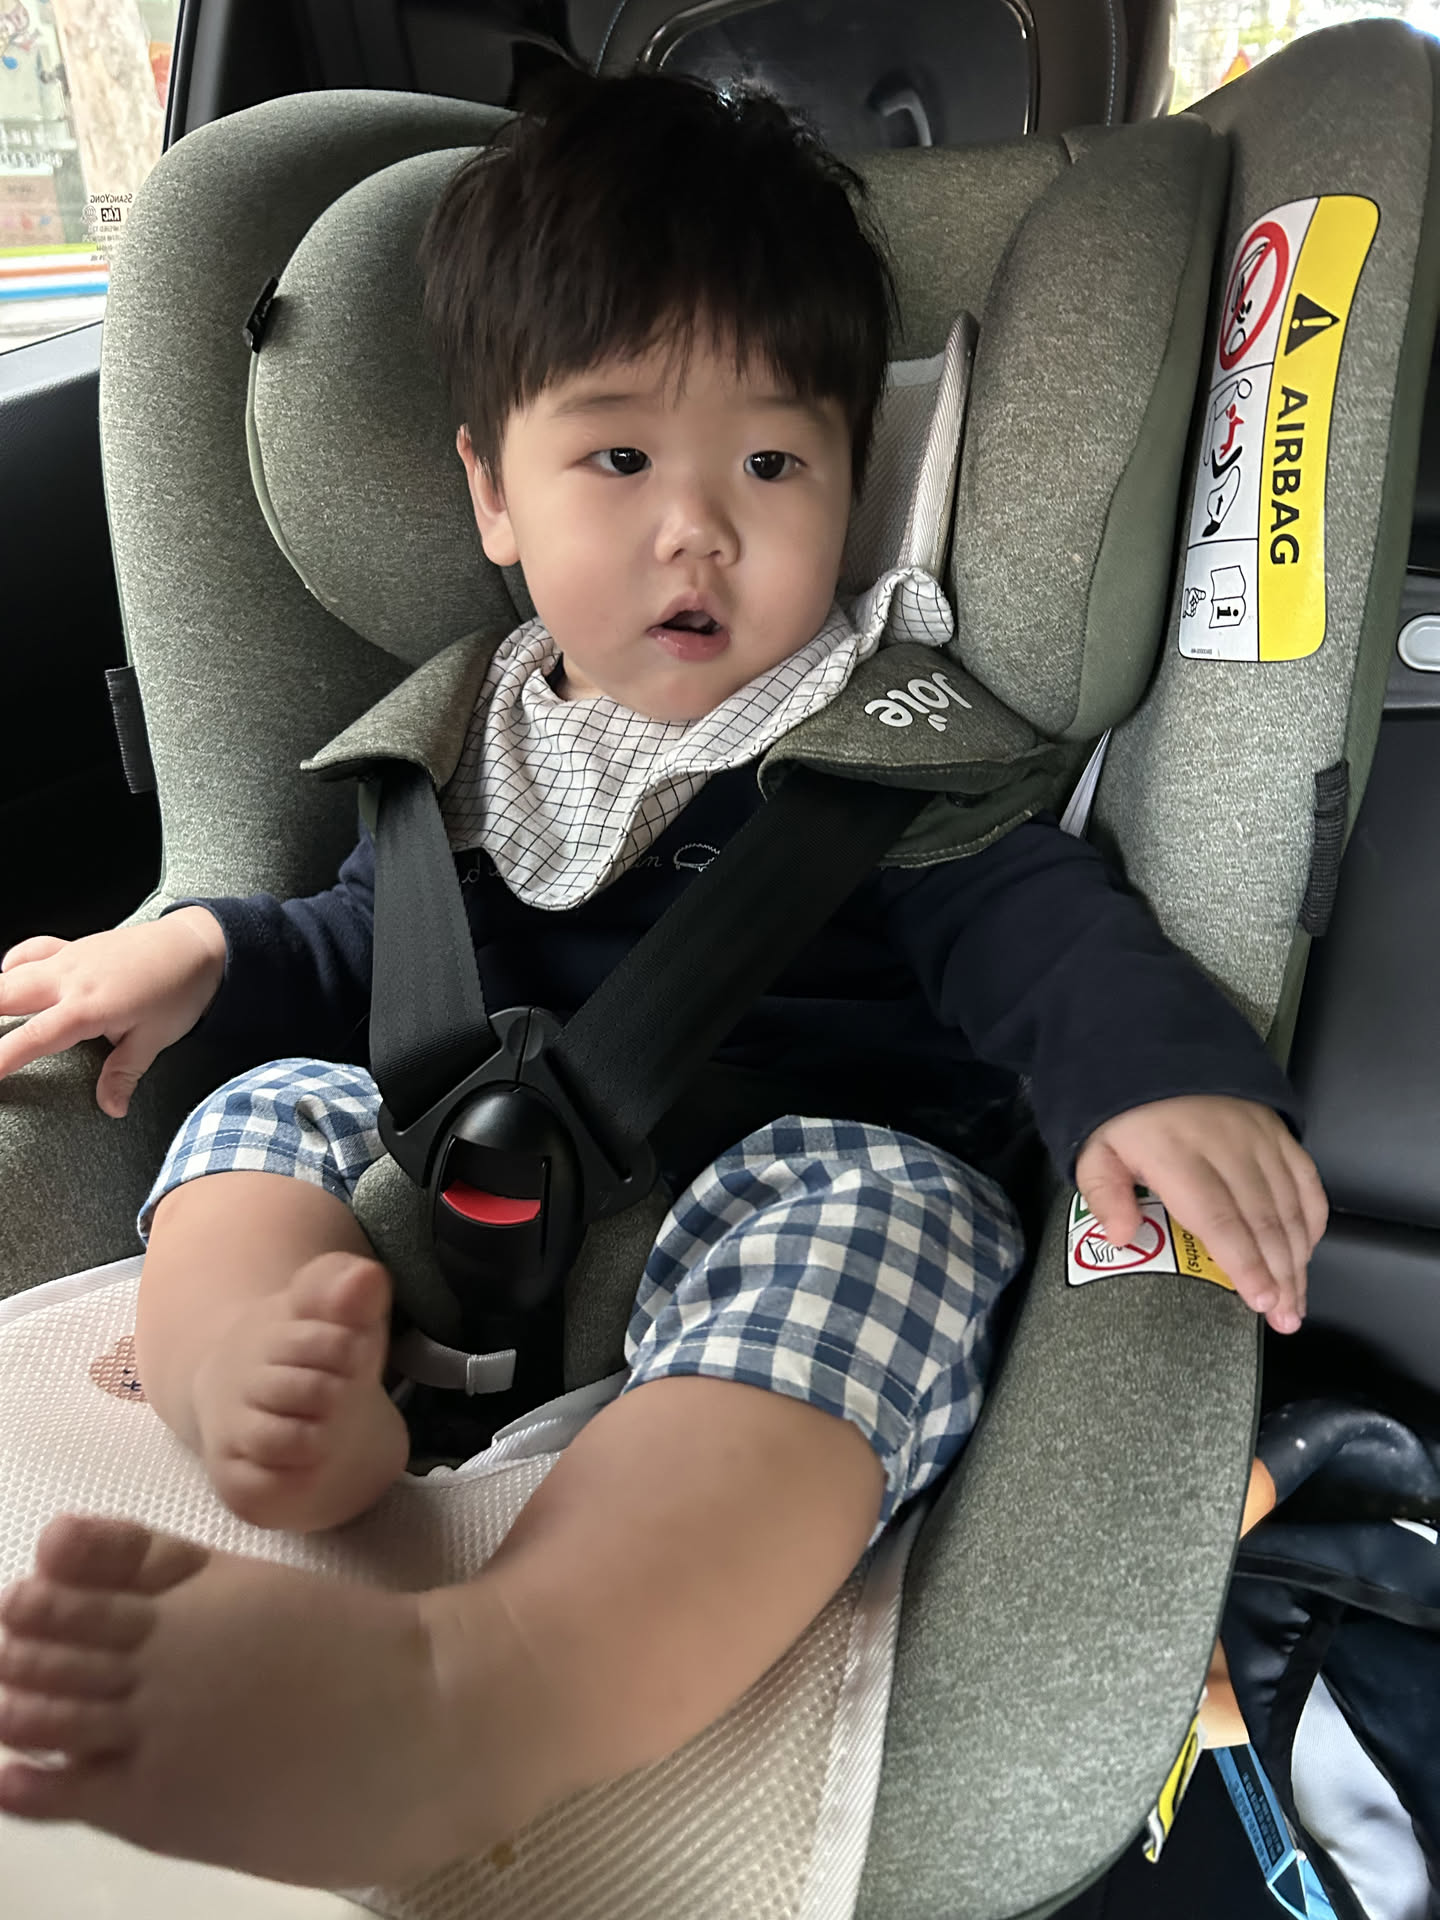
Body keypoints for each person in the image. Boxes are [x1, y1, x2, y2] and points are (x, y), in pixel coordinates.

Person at [0, 73, 1326, 1889]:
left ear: (853, 481)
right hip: (442, 1181)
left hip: (768, 1198)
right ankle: (258, 1398)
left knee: (888, 1218)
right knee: (259, 1109)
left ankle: (474, 1700)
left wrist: (1152, 1073)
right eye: (619, 461)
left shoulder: (877, 744)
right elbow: (356, 949)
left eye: (773, 466)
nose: (698, 527)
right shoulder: (467, 739)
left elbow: (1039, 928)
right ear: (492, 493)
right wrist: (200, 951)